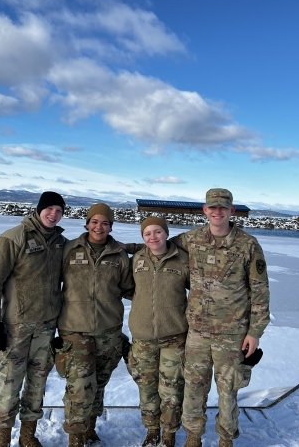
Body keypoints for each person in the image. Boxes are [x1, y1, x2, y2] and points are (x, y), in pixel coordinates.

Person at [171, 188, 270, 447]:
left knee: (228, 391)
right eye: (212, 207)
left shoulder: (248, 245)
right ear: (205, 210)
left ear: (231, 211)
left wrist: (255, 332)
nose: (217, 212)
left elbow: (260, 291)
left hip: (232, 334)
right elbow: (158, 247)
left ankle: (226, 439)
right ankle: (193, 437)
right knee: (193, 388)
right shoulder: (190, 240)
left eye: (222, 208)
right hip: (198, 333)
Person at [0, 191, 66, 447]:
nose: (53, 214)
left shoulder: (61, 243)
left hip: (46, 328)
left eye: (59, 211)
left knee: (37, 385)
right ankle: (2, 439)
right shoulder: (12, 239)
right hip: (15, 328)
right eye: (49, 209)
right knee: (8, 386)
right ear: (38, 210)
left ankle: (28, 436)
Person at [56, 203, 135, 447]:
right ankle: (75, 437)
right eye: (94, 222)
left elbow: (130, 289)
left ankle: (90, 428)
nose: (99, 227)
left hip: (108, 331)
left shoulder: (119, 255)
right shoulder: (69, 249)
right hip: (75, 329)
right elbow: (50, 281)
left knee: (99, 384)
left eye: (104, 223)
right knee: (79, 387)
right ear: (87, 224)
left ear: (111, 226)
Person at [128, 216, 190, 447]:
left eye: (157, 232)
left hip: (174, 337)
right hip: (143, 337)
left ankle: (169, 434)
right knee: (146, 387)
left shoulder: (182, 260)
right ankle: (152, 430)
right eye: (147, 233)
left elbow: (198, 290)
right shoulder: (137, 259)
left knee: (172, 390)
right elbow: (127, 287)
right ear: (142, 237)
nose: (153, 237)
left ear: (166, 233)